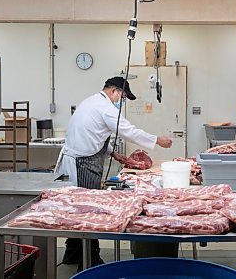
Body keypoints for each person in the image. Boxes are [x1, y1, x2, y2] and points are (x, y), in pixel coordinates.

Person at [55, 76, 172, 270]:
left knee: (79, 208)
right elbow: (129, 131)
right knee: (89, 211)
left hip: (82, 158)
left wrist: (115, 154)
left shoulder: (92, 101)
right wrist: (157, 140)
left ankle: (72, 253)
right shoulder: (106, 107)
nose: (121, 101)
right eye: (123, 96)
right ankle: (89, 261)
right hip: (83, 163)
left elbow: (95, 133)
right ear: (114, 91)